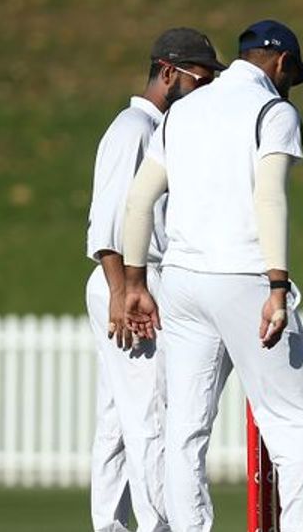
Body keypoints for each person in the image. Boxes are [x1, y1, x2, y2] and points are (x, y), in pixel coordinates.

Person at [121, 20, 303, 531]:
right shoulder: (274, 111)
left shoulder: (182, 111)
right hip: (245, 277)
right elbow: (268, 195)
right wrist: (277, 287)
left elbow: (140, 199)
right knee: (295, 423)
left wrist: (134, 283)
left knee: (184, 429)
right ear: (281, 64)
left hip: (183, 281)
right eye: (292, 75)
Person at [84, 27, 223, 532]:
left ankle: (112, 525)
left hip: (132, 282)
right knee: (151, 417)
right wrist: (124, 293)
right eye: (200, 79)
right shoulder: (133, 129)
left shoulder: (156, 130)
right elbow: (108, 224)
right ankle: (159, 524)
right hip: (130, 282)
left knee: (119, 421)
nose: (205, 90)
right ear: (169, 72)